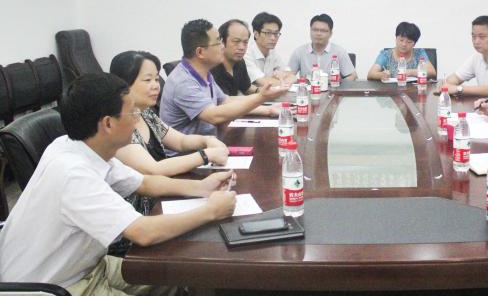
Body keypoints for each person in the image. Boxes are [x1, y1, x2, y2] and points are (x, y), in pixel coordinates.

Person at [0, 73, 236, 293]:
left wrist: (200, 188)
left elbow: (144, 183)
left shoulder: (79, 146)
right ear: (108, 124)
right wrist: (211, 212)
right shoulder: (74, 174)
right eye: (132, 113)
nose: (138, 119)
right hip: (55, 286)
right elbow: (143, 232)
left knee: (173, 275)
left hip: (88, 266)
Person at [110, 50, 229, 179]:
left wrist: (207, 140)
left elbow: (181, 141)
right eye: (148, 80)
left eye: (156, 79)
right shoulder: (117, 126)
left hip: (164, 185)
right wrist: (206, 156)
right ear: (124, 84)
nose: (156, 86)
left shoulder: (145, 113)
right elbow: (154, 169)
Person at [160, 19, 287, 136]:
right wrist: (261, 97)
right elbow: (214, 116)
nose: (222, 46)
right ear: (200, 52)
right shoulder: (184, 82)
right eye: (218, 43)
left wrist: (269, 110)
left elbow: (225, 101)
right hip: (191, 151)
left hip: (212, 143)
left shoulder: (204, 72)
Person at [211, 19, 281, 116]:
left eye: (245, 42)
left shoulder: (240, 62)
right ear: (222, 42)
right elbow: (222, 102)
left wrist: (260, 91)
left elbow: (246, 87)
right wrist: (264, 104)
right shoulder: (212, 66)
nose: (242, 47)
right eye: (236, 42)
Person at [288, 13, 357, 80]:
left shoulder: (339, 52)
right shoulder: (299, 52)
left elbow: (352, 76)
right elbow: (288, 75)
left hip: (332, 87)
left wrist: (339, 84)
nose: (318, 34)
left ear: (330, 33)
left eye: (323, 31)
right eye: (315, 30)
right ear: (310, 31)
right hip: (308, 87)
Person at [367, 22, 436, 81]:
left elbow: (432, 72)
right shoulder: (386, 54)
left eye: (409, 42)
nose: (404, 44)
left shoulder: (419, 53)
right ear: (396, 39)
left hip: (414, 91)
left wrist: (410, 72)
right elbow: (371, 74)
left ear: (414, 44)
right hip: (391, 90)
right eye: (401, 40)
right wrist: (381, 75)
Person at [244, 12, 295, 87]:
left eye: (276, 33)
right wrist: (283, 80)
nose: (273, 38)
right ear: (256, 34)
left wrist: (282, 75)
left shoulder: (272, 52)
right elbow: (263, 82)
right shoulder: (246, 53)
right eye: (268, 33)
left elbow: (292, 76)